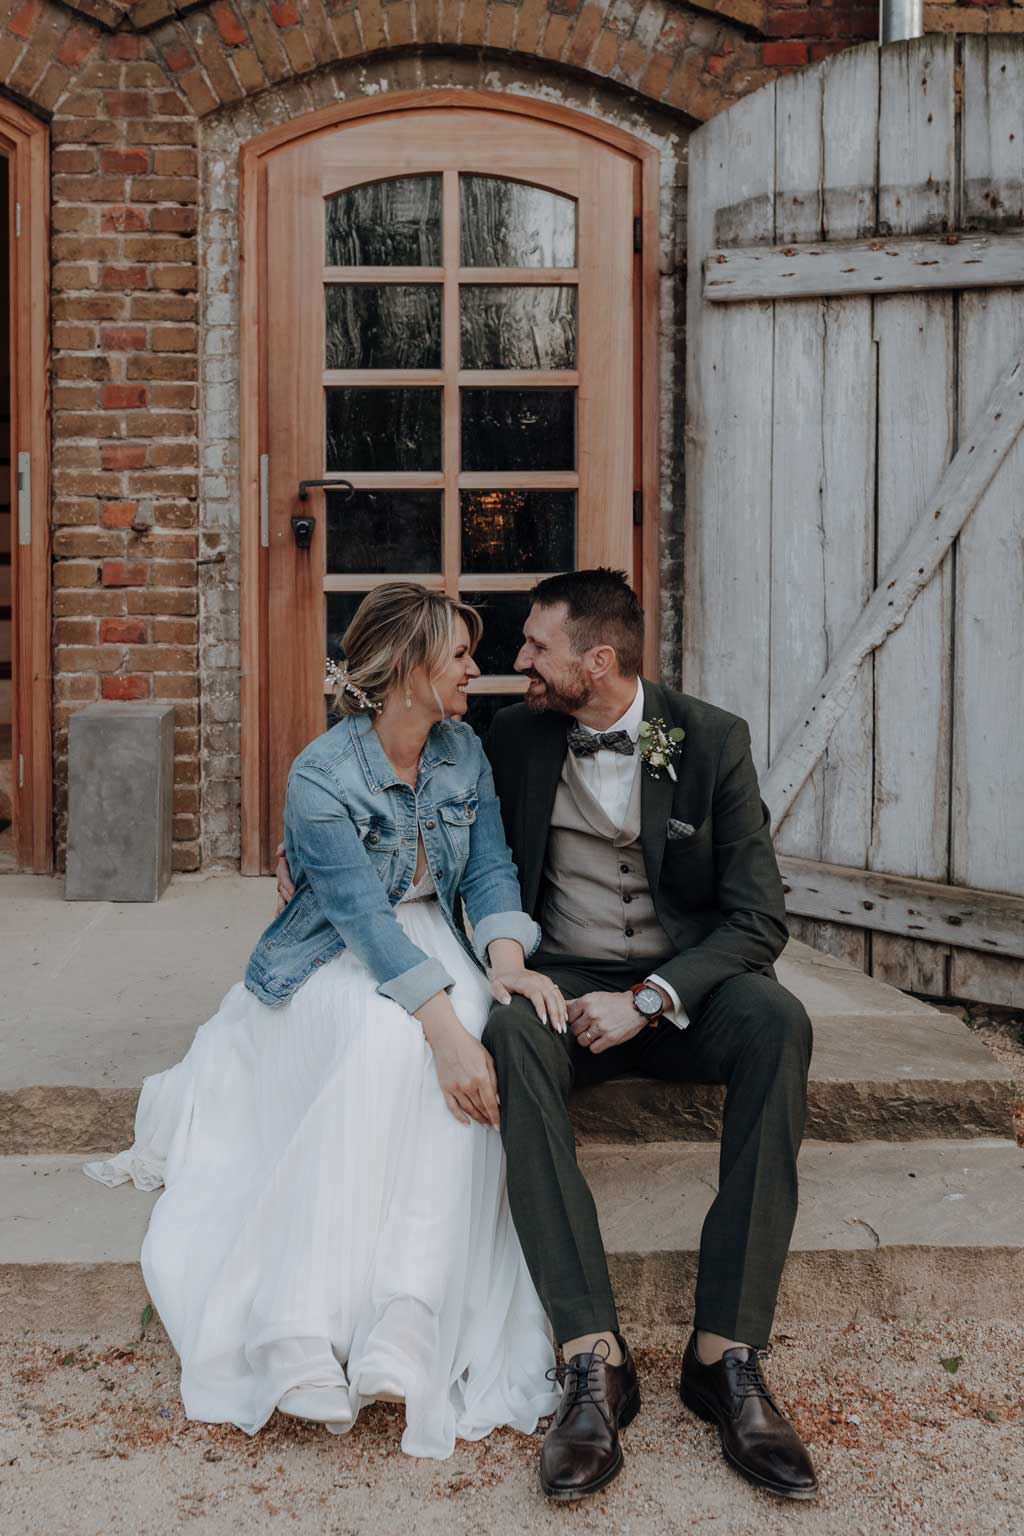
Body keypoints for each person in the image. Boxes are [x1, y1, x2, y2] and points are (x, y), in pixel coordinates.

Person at [280, 568, 819, 1502]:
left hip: (678, 988)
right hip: (560, 983)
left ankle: (726, 1356)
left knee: (779, 1021)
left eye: (534, 648)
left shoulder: (711, 741)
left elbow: (759, 920)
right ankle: (591, 1357)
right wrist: (310, 858)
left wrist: (652, 997)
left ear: (597, 662)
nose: (510, 664)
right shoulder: (511, 737)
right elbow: (434, 833)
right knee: (511, 1035)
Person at [84, 582, 564, 1459]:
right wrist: (446, 1031)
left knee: (466, 1031)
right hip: (333, 952)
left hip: (441, 942)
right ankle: (298, 1321)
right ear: (413, 668)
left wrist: (504, 964)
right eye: (458, 654)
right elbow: (363, 923)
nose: (473, 667)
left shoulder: (464, 752)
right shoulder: (321, 774)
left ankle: (409, 1314)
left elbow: (491, 870)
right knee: (395, 1043)